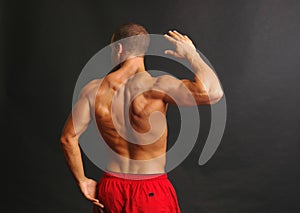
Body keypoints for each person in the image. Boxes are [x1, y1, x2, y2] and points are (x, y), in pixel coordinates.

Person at [60, 23, 224, 213]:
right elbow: (214, 92)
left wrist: (83, 180)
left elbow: (67, 138)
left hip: (111, 190)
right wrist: (191, 54)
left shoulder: (93, 90)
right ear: (143, 50)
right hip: (151, 191)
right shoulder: (158, 86)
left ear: (118, 48)